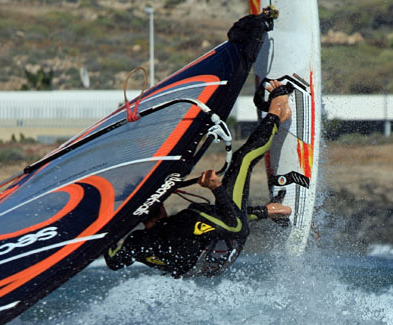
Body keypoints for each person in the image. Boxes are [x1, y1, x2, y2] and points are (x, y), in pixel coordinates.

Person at [103, 80, 293, 278]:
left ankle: (273, 212)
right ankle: (278, 108)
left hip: (208, 262)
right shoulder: (182, 224)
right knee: (241, 160)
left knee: (215, 216)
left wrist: (107, 226)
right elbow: (236, 227)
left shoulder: (138, 242)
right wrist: (216, 188)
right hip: (229, 243)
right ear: (159, 206)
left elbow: (113, 261)